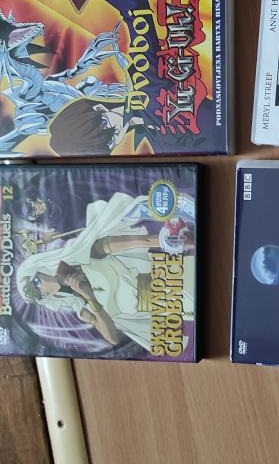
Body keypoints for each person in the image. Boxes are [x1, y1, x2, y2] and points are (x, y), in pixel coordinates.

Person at [16, 192, 194, 351]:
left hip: (173, 278)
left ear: (40, 268)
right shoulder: (80, 306)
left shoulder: (90, 254)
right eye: (38, 296)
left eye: (36, 284)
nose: (42, 292)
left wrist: (175, 241)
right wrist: (90, 298)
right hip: (172, 307)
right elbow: (113, 338)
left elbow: (140, 241)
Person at [48, 97, 155, 156]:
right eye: (110, 142)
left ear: (100, 108)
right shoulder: (152, 135)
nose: (118, 133)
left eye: (105, 123)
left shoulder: (141, 92)